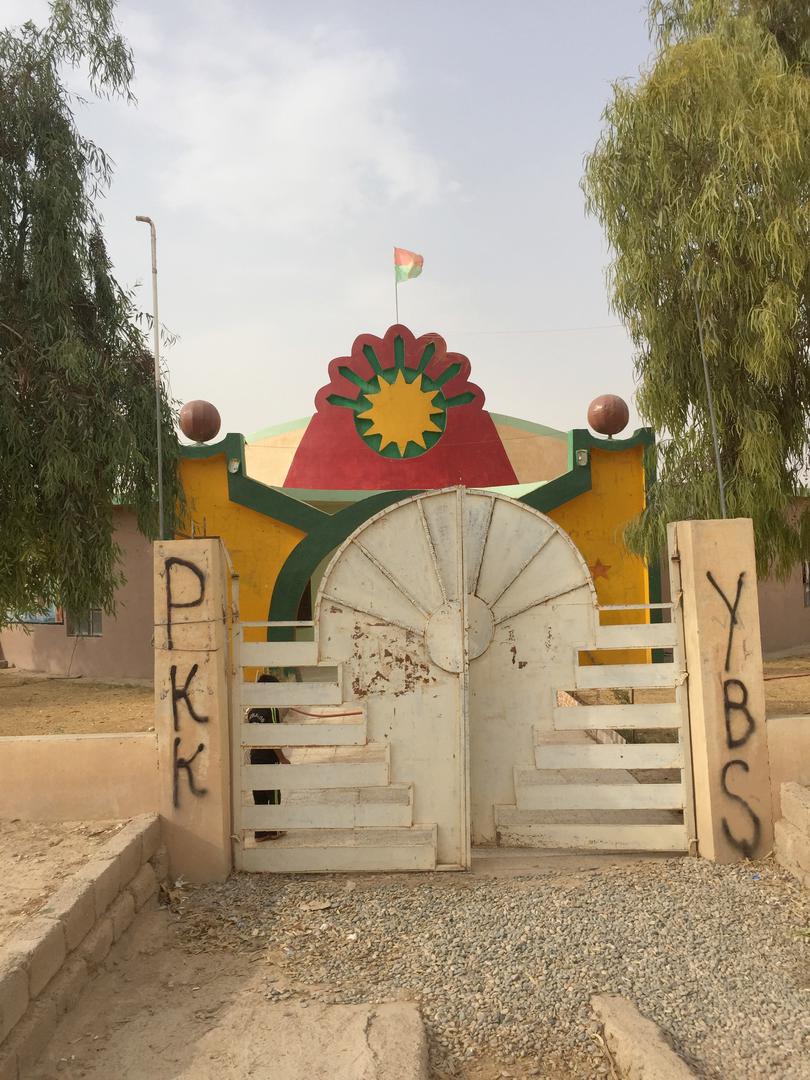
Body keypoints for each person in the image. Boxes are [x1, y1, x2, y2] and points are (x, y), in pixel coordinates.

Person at [247, 673, 289, 841]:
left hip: (255, 757)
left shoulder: (252, 711)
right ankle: (274, 829)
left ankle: (260, 832)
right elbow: (272, 736)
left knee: (259, 795)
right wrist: (282, 758)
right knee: (273, 793)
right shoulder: (271, 710)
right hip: (269, 758)